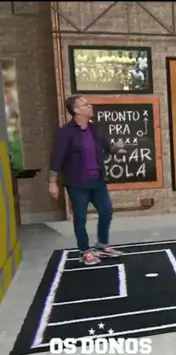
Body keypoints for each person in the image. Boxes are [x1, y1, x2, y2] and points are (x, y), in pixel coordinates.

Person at [49, 95, 127, 265]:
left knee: (106, 212)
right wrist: (52, 182)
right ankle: (84, 250)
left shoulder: (94, 128)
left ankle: (102, 245)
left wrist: (117, 149)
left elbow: (107, 147)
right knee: (81, 217)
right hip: (77, 183)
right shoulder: (66, 132)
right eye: (86, 104)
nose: (90, 106)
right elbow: (57, 157)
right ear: (76, 110)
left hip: (97, 180)